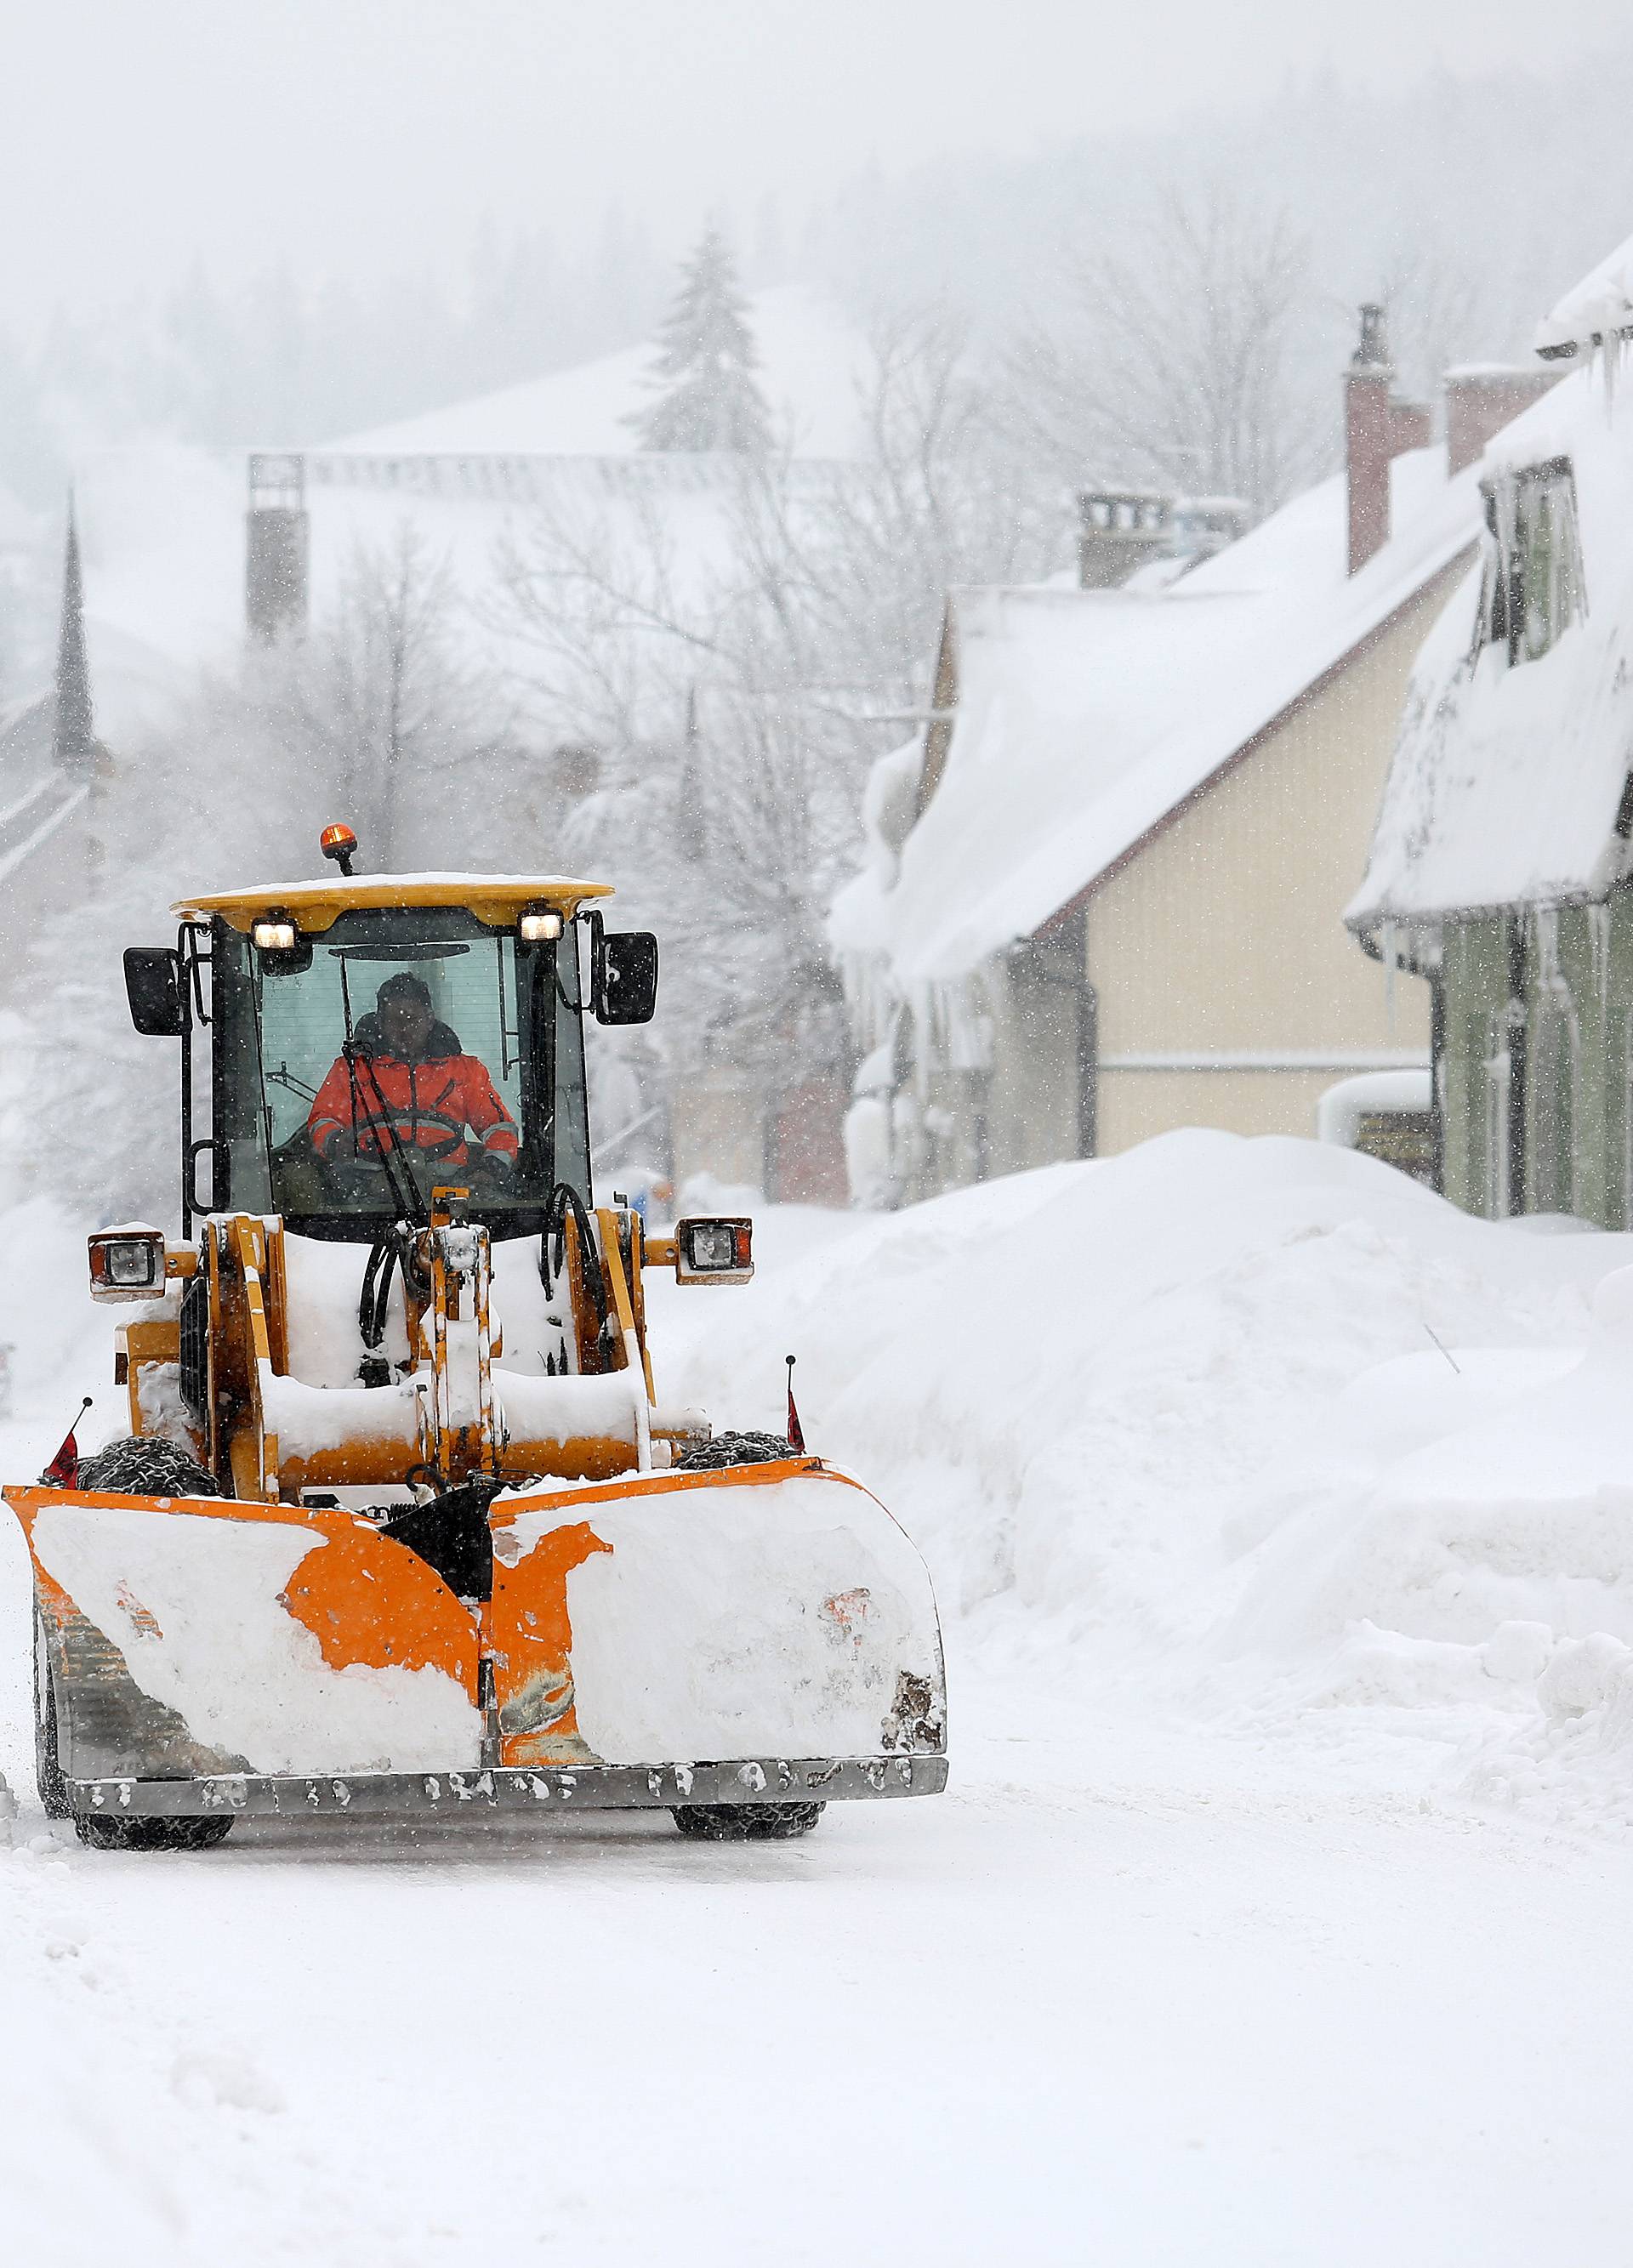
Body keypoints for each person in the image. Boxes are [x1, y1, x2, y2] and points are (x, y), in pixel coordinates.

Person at [306, 970, 519, 1181]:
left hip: (449, 1185)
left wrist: (491, 1168)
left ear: (429, 1019)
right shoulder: (352, 1070)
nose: (404, 1029)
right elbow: (324, 1120)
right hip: (368, 1182)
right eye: (394, 1021)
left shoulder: (465, 1070)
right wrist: (335, 1142)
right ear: (379, 1022)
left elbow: (497, 1127)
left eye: (411, 1019)